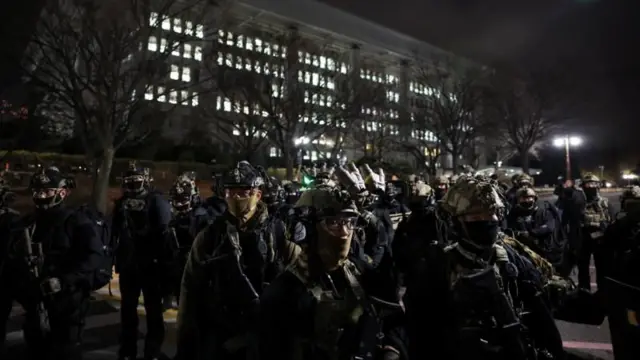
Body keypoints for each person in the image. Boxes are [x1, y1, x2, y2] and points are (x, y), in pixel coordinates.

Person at [404, 176, 565, 360]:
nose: (486, 220)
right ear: (456, 222)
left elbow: (541, 313)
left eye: (491, 214)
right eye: (475, 216)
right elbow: (418, 327)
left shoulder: (509, 256)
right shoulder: (438, 263)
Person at [258, 187, 407, 360]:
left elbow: (395, 320)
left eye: (349, 222)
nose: (345, 233)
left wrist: (392, 349)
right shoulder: (284, 292)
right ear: (310, 228)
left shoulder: (361, 272)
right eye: (334, 223)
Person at [175, 161, 299, 360]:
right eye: (231, 192)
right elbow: (190, 291)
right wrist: (186, 344)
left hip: (267, 338)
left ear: (258, 195)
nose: (236, 197)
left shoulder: (279, 235)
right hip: (221, 337)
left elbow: (301, 289)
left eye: (244, 192)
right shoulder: (210, 237)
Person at [11, 167, 102, 360]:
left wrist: (63, 279)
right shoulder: (29, 222)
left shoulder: (76, 221)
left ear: (61, 193)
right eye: (37, 192)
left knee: (65, 350)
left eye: (46, 192)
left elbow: (93, 257)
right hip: (36, 300)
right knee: (35, 347)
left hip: (67, 301)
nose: (40, 196)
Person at [112, 162, 174, 360]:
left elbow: (165, 234)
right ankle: (127, 352)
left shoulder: (156, 201)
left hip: (151, 266)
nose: (132, 186)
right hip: (129, 267)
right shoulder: (121, 204)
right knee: (127, 313)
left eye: (136, 182)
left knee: (154, 313)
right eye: (129, 183)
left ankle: (152, 352)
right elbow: (115, 233)